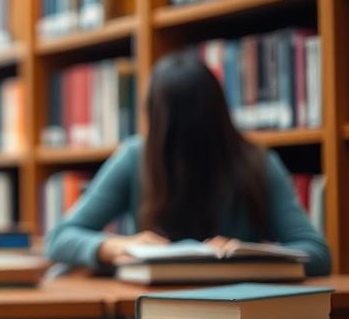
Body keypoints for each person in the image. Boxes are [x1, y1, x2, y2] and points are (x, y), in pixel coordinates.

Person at [46, 52, 331, 275]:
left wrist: (246, 254)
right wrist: (115, 246)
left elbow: (317, 253)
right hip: (152, 306)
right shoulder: (135, 157)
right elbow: (59, 238)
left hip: (234, 308)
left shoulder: (256, 163)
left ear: (154, 117)